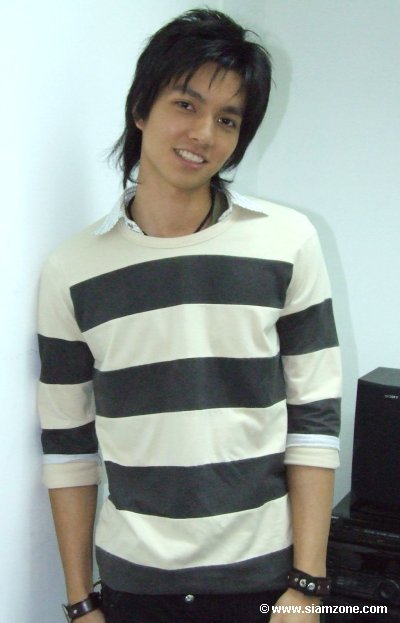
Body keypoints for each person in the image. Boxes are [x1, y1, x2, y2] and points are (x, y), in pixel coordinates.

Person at [37, 8, 341, 623]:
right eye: (186, 104)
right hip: (133, 588)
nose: (204, 133)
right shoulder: (71, 269)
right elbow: (67, 446)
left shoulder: (287, 242)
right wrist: (80, 603)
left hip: (266, 584)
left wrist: (308, 586)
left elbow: (314, 419)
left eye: (227, 119)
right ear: (141, 108)